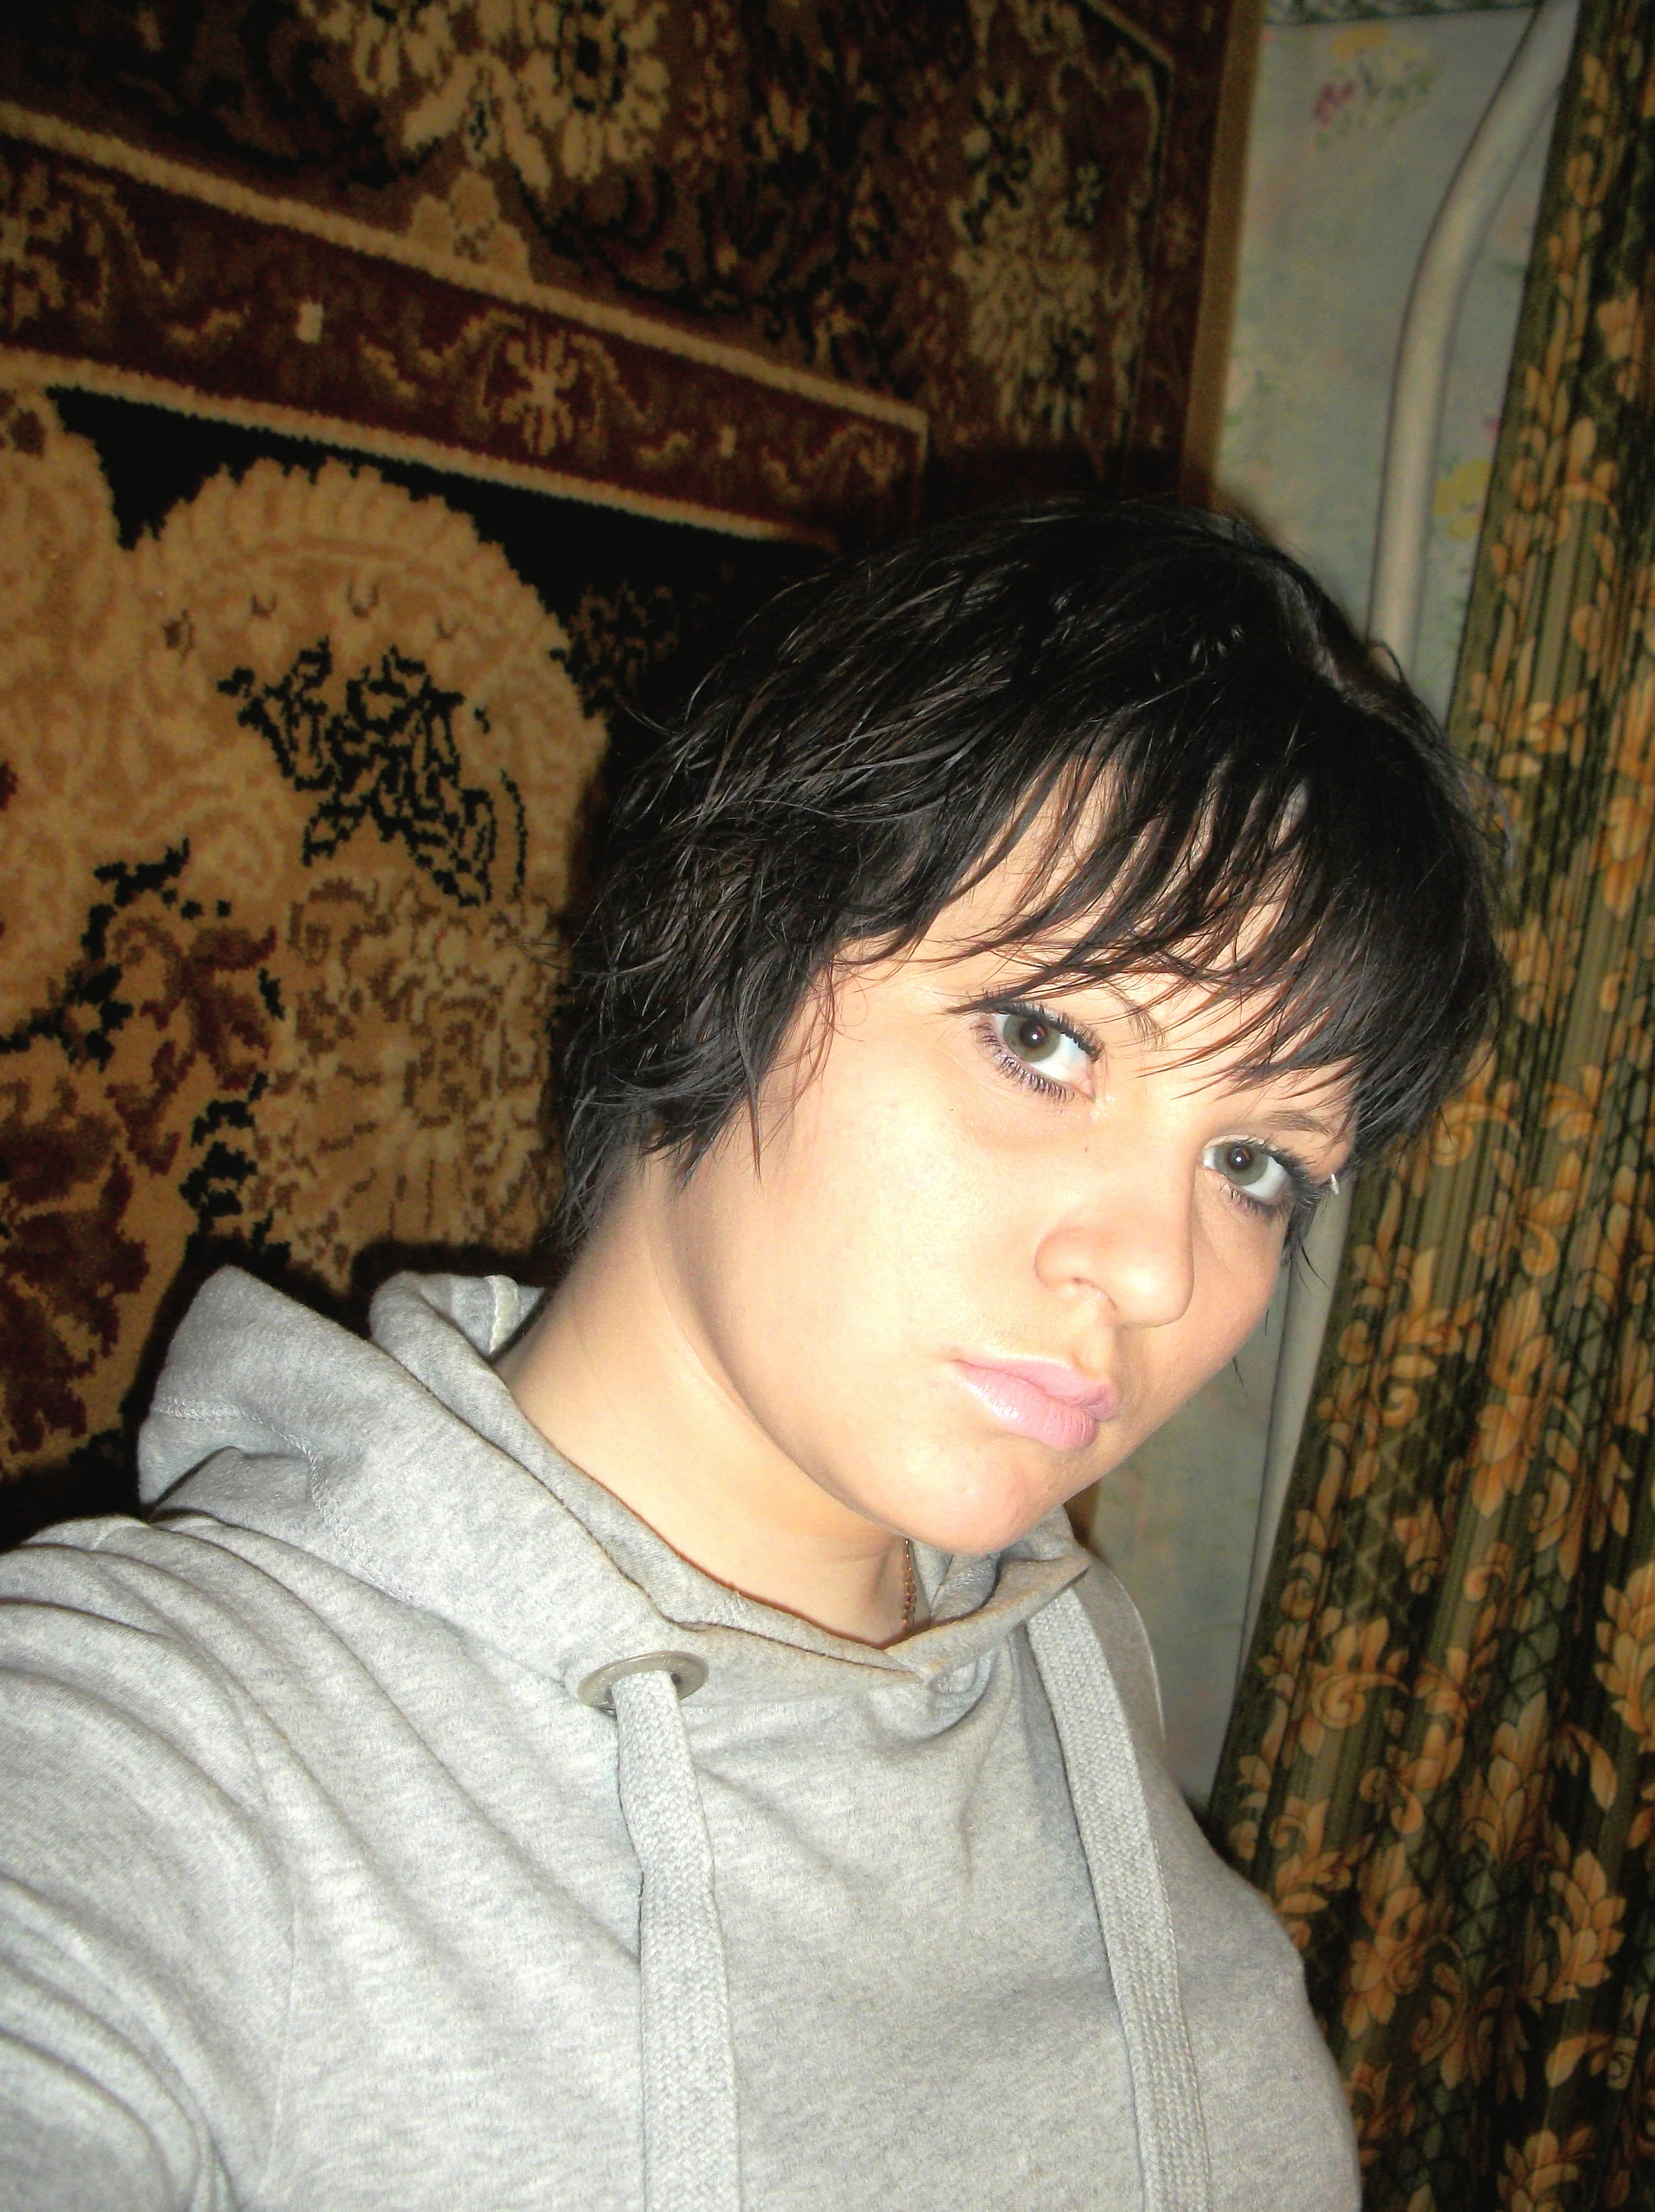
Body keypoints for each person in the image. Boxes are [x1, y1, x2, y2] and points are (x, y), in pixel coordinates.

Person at [0, 502, 1499, 2210]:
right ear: (727, 931)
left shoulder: (1068, 1656)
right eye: (1043, 1038)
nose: (1161, 1269)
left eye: (1255, 1164)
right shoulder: (147, 1746)